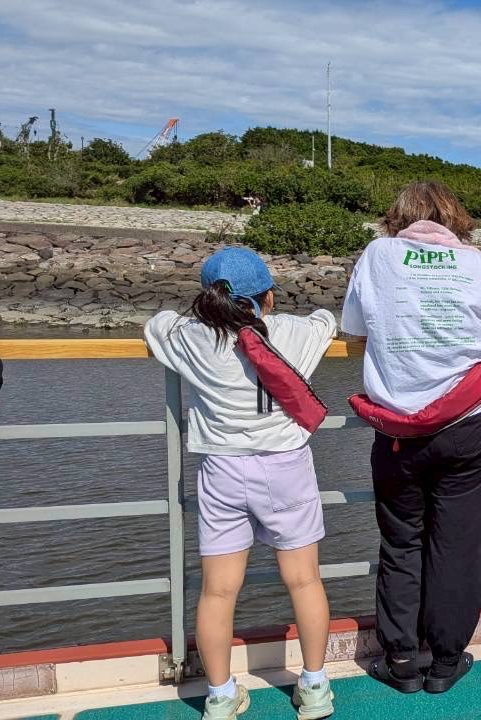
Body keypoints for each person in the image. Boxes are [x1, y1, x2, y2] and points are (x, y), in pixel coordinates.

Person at [144, 247, 337, 720]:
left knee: (217, 591)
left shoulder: (192, 338)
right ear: (267, 297)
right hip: (286, 466)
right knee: (305, 580)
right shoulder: (290, 333)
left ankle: (221, 695)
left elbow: (157, 325)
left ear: (208, 298)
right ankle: (312, 688)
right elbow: (324, 321)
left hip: (223, 470)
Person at [341, 181, 481, 694]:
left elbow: (355, 328)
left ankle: (400, 660)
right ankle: (444, 662)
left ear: (398, 219)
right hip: (467, 424)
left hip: (398, 429)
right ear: (453, 217)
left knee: (401, 542)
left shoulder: (377, 255)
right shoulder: (477, 262)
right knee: (457, 545)